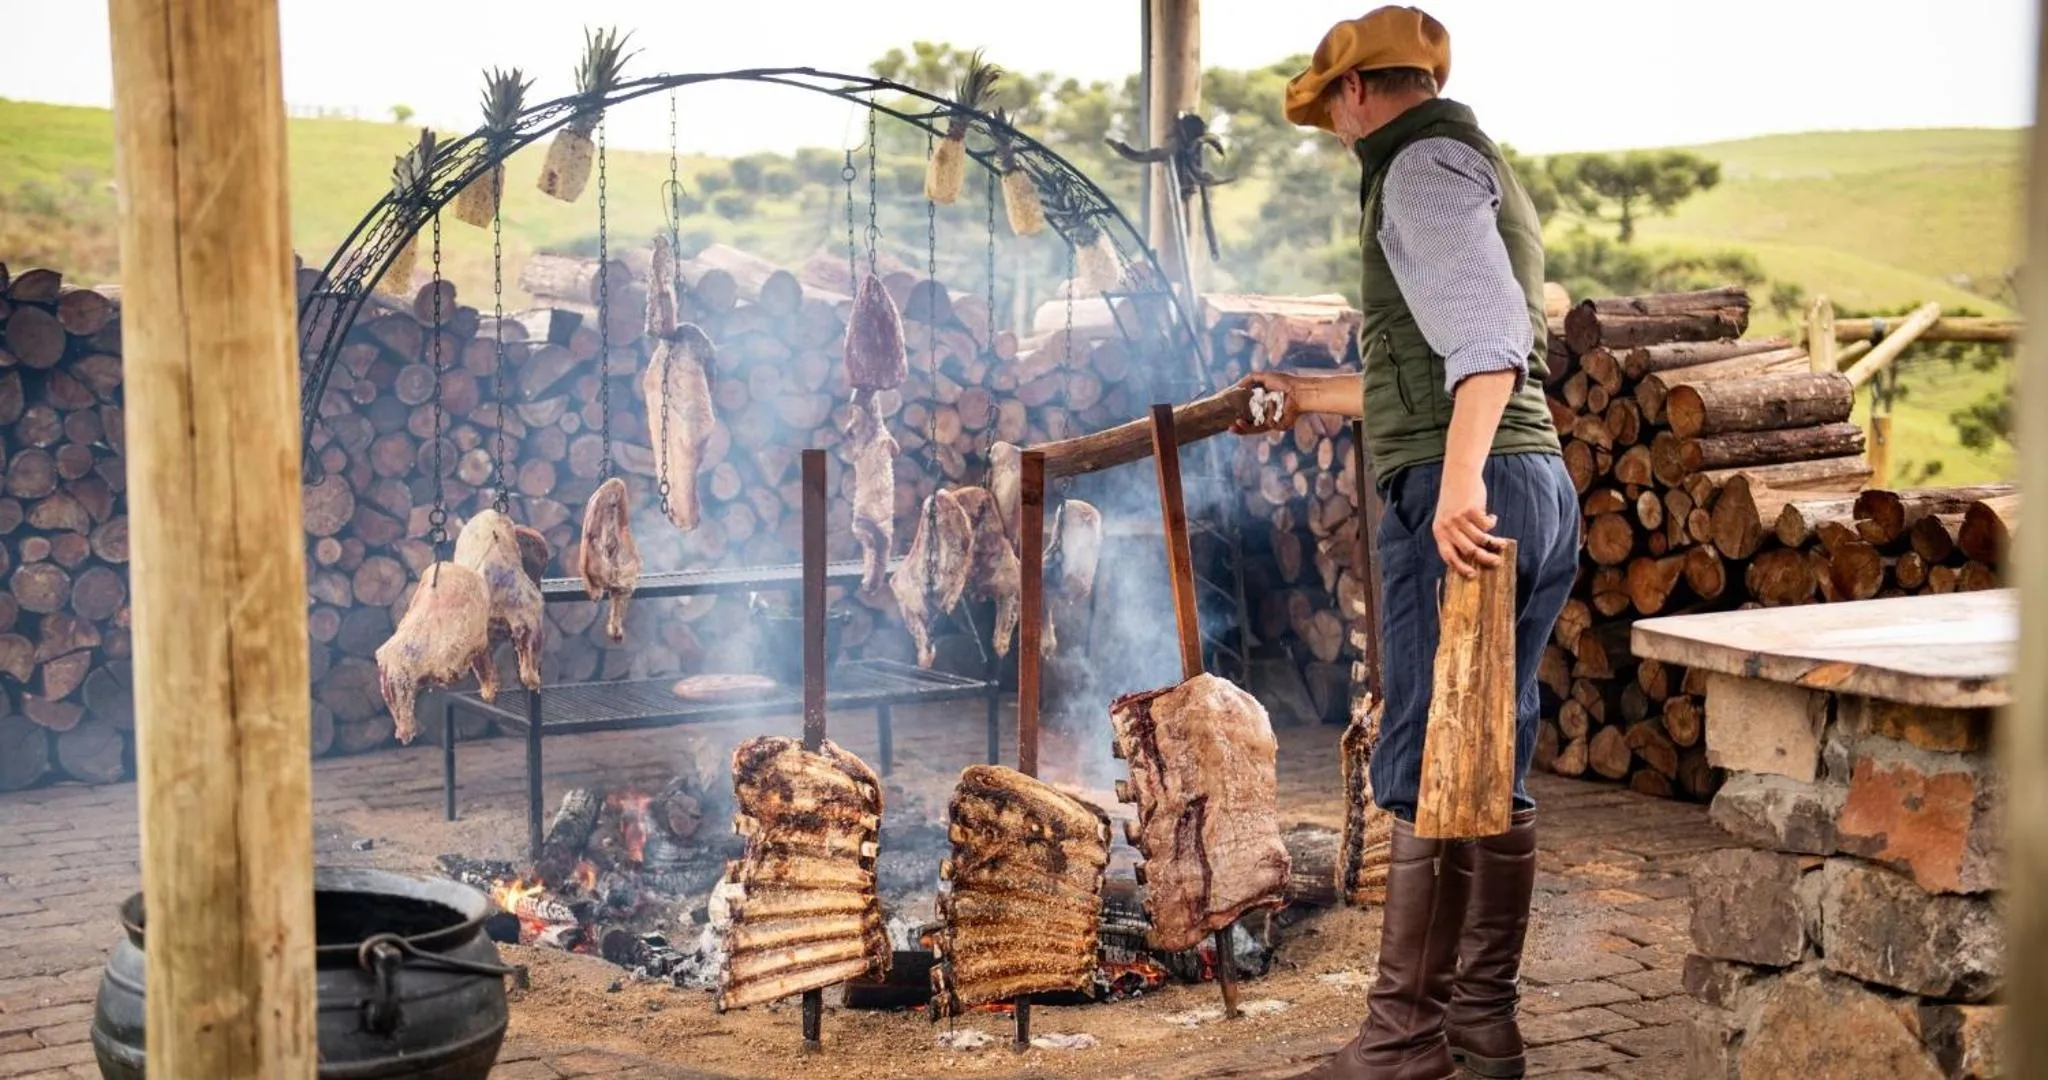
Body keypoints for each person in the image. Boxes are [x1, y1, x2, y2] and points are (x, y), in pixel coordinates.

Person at [1234, 8, 1580, 1079]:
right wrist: (1309, 397)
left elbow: (1486, 349)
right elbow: (1440, 365)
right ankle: (1479, 1026)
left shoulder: (1419, 168)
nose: (1335, 130)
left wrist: (1456, 483)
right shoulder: (1467, 161)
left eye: (1329, 109)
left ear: (1352, 92)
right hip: (1522, 480)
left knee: (1430, 751)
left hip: (1469, 486)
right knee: (1481, 752)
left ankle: (1401, 1042)